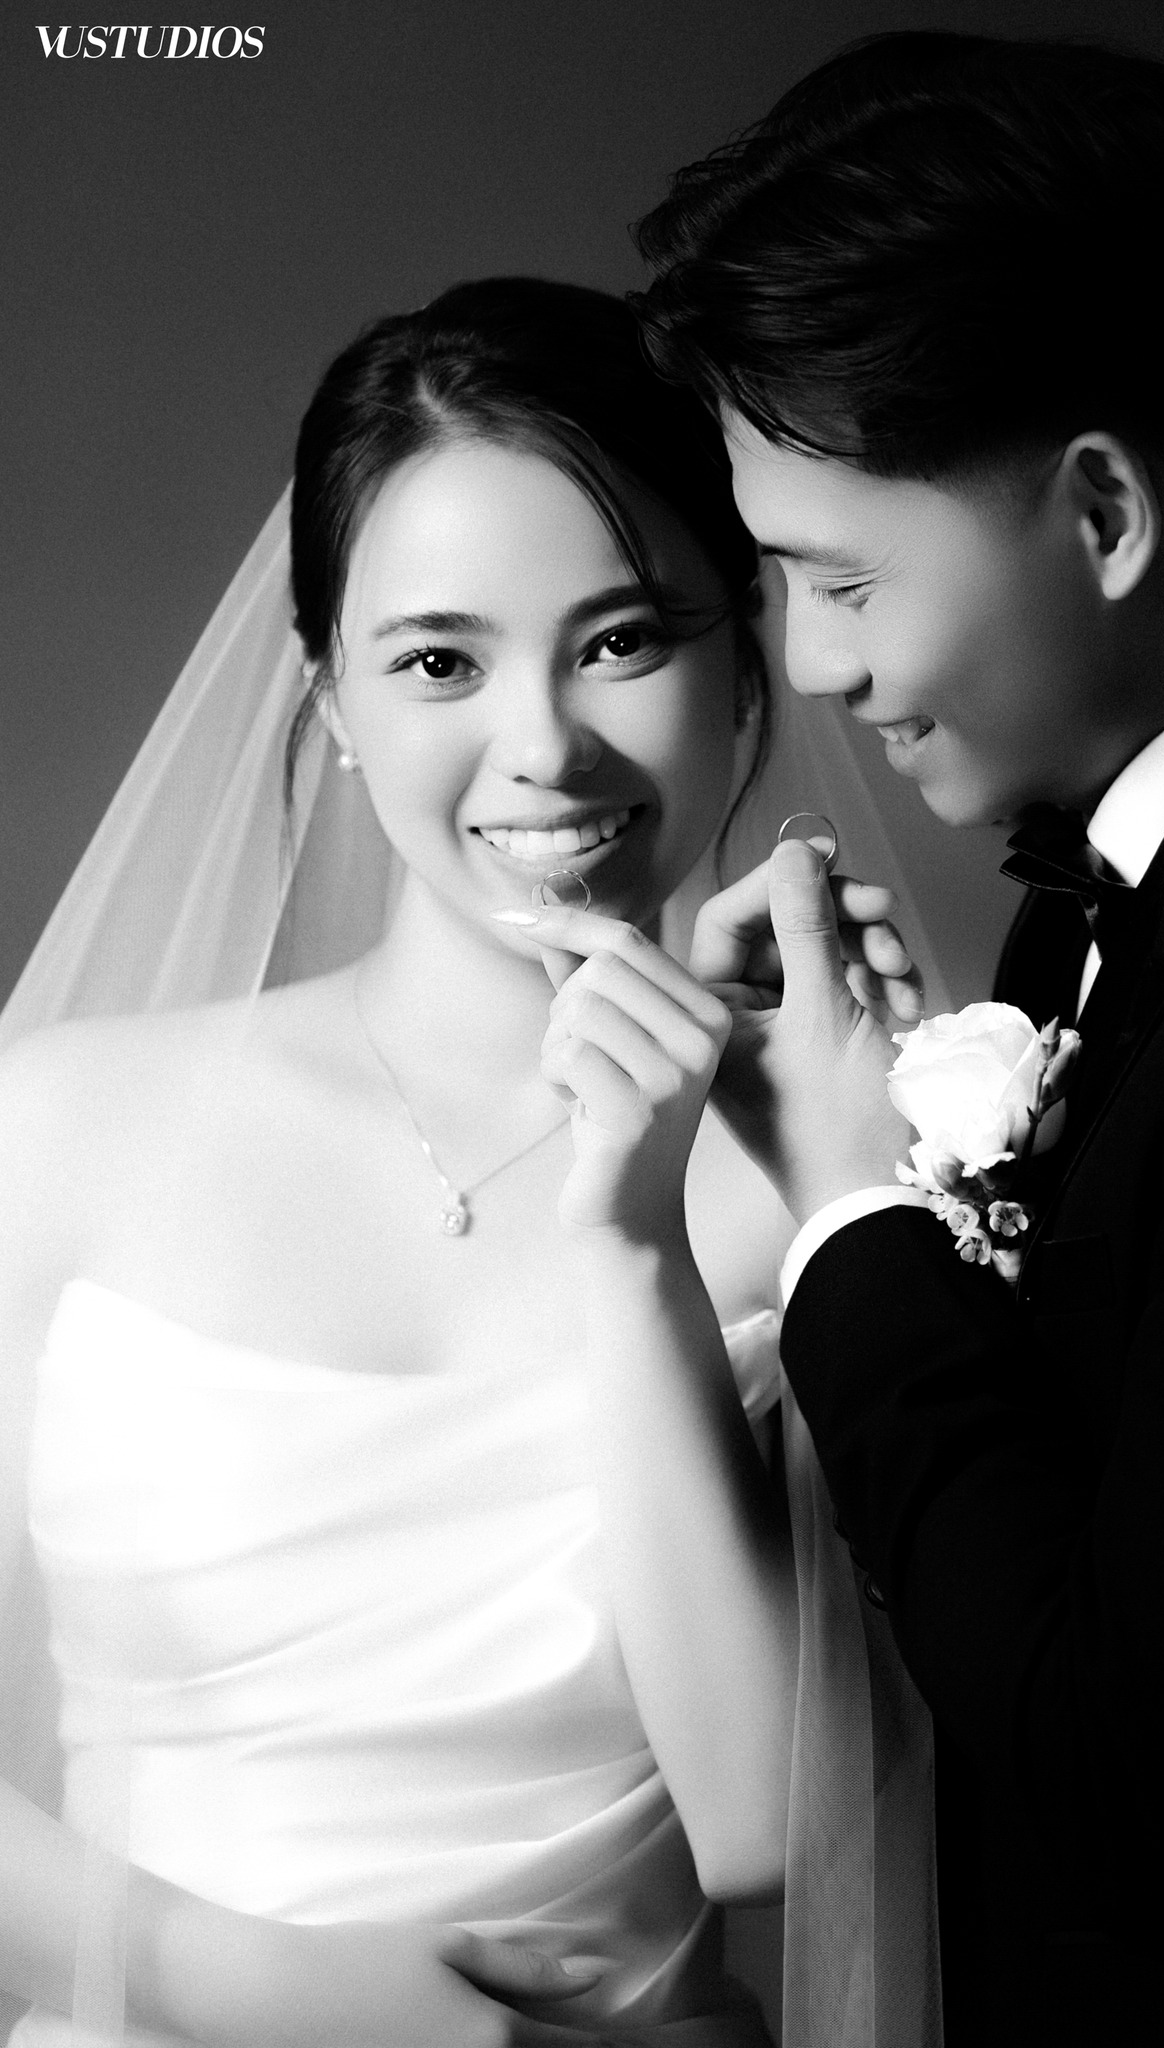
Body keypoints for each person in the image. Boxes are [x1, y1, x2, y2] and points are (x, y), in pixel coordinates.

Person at [0, 279, 934, 2047]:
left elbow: (765, 1827)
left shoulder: (834, 1165)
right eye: (439, 661)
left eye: (622, 640)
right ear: (332, 701)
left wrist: (631, 1240)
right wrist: (242, 1982)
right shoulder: (55, 1125)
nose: (543, 749)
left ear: (745, 662)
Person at [604, 28, 1164, 2048]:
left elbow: (1141, 1773)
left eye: (842, 579)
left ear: (1099, 510)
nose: (809, 665)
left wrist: (853, 1211)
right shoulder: (1116, 864)